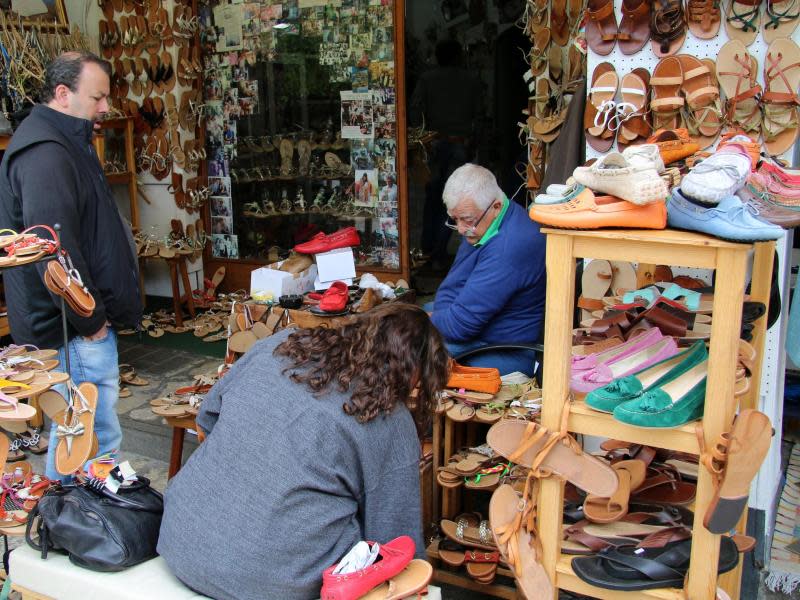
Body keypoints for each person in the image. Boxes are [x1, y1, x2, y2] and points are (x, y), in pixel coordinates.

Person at [158, 303, 449, 600]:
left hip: (179, 536)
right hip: (268, 580)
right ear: (414, 370)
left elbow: (207, 416)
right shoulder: (391, 419)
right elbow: (395, 542)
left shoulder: (279, 346)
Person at [0, 51, 141, 478]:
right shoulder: (46, 153)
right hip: (72, 333)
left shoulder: (64, 141)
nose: (105, 107)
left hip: (75, 329)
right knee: (89, 439)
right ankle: (80, 529)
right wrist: (94, 322)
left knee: (81, 437)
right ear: (63, 94)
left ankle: (76, 523)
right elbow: (51, 251)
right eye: (97, 97)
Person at [429, 164, 545, 376]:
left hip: (506, 350)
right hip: (483, 329)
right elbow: (452, 285)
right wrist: (436, 313)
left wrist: (426, 320)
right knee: (412, 318)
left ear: (496, 206)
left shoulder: (509, 247)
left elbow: (460, 326)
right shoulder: (485, 224)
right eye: (455, 219)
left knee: (400, 347)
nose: (461, 229)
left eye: (467, 220)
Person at [410, 39, 483, 270]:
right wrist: (477, 143)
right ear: (457, 56)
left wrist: (422, 134)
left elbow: (414, 108)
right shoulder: (470, 80)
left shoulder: (428, 79)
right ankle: (439, 253)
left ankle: (426, 250)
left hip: (433, 143)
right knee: (453, 202)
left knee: (432, 198)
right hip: (459, 143)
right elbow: (480, 115)